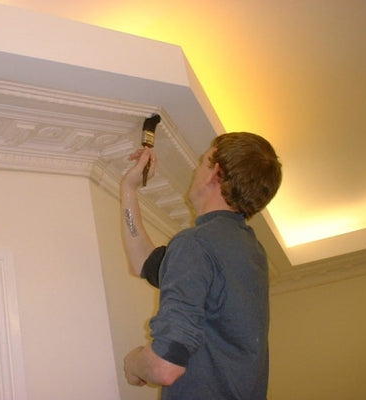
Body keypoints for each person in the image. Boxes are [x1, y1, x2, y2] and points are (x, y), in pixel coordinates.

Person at [120, 132, 282, 399]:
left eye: (201, 161)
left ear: (214, 173)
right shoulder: (253, 253)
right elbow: (143, 263)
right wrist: (128, 190)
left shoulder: (196, 244)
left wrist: (133, 363)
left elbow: (164, 367)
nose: (195, 170)